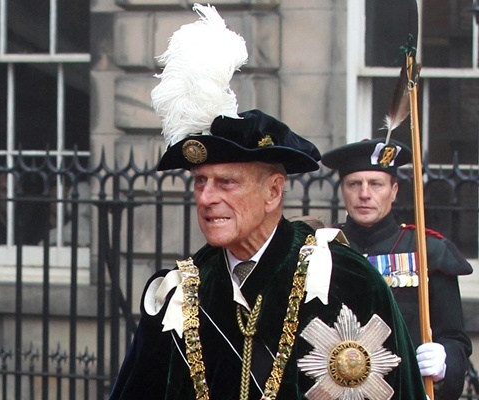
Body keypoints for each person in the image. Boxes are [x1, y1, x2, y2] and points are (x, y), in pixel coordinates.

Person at [109, 5, 426, 399]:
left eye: (227, 182)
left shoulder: (345, 279)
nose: (208, 198)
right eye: (200, 182)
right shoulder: (179, 293)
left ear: (273, 191)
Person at [322, 138, 473, 399]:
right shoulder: (322, 249)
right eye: (354, 184)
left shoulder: (428, 252)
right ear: (343, 190)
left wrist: (443, 362)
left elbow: (454, 337)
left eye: (376, 184)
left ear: (393, 190)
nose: (364, 194)